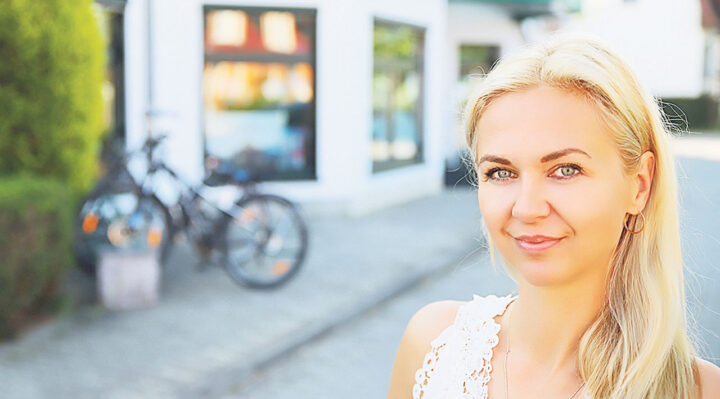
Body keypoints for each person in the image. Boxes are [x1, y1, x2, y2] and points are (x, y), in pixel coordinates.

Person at [386, 34, 720, 399]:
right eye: (501, 172)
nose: (527, 208)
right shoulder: (435, 347)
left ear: (639, 185)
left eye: (565, 170)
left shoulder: (698, 390)